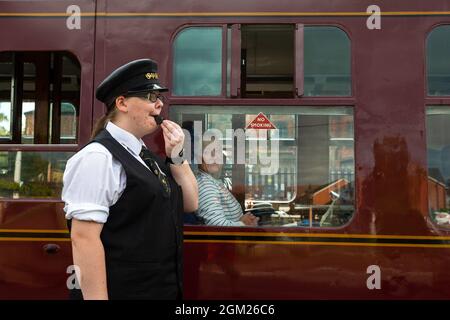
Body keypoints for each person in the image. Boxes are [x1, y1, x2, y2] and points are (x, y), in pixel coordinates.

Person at [62, 58, 198, 300]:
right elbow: (83, 239)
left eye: (160, 98)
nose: (158, 105)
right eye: (149, 96)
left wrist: (177, 155)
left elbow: (190, 203)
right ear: (122, 103)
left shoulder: (146, 156)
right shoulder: (98, 157)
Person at [196, 143, 258, 227]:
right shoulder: (205, 184)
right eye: (209, 153)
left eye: (218, 153)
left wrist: (242, 221)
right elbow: (216, 226)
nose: (216, 157)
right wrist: (244, 224)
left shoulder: (213, 180)